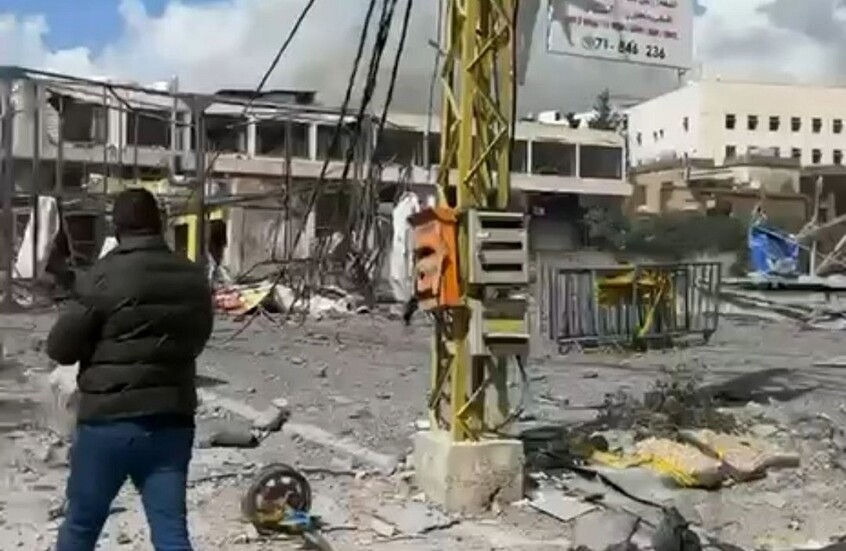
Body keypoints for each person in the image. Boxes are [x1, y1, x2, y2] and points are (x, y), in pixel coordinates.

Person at [48, 188, 214, 551]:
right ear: (160, 224)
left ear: (116, 227)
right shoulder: (193, 278)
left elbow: (60, 348)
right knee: (171, 532)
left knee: (81, 527)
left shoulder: (102, 276)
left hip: (107, 424)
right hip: (171, 422)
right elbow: (197, 339)